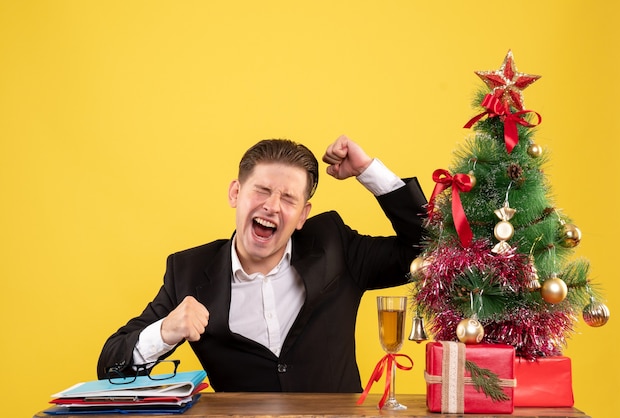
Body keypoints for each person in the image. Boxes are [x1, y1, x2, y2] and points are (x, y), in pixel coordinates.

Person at [97, 135, 429, 392]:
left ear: (302, 215)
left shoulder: (333, 245)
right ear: (235, 194)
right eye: (262, 191)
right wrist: (165, 332)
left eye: (288, 199)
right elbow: (111, 366)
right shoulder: (189, 271)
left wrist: (368, 172)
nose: (271, 206)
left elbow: (429, 247)